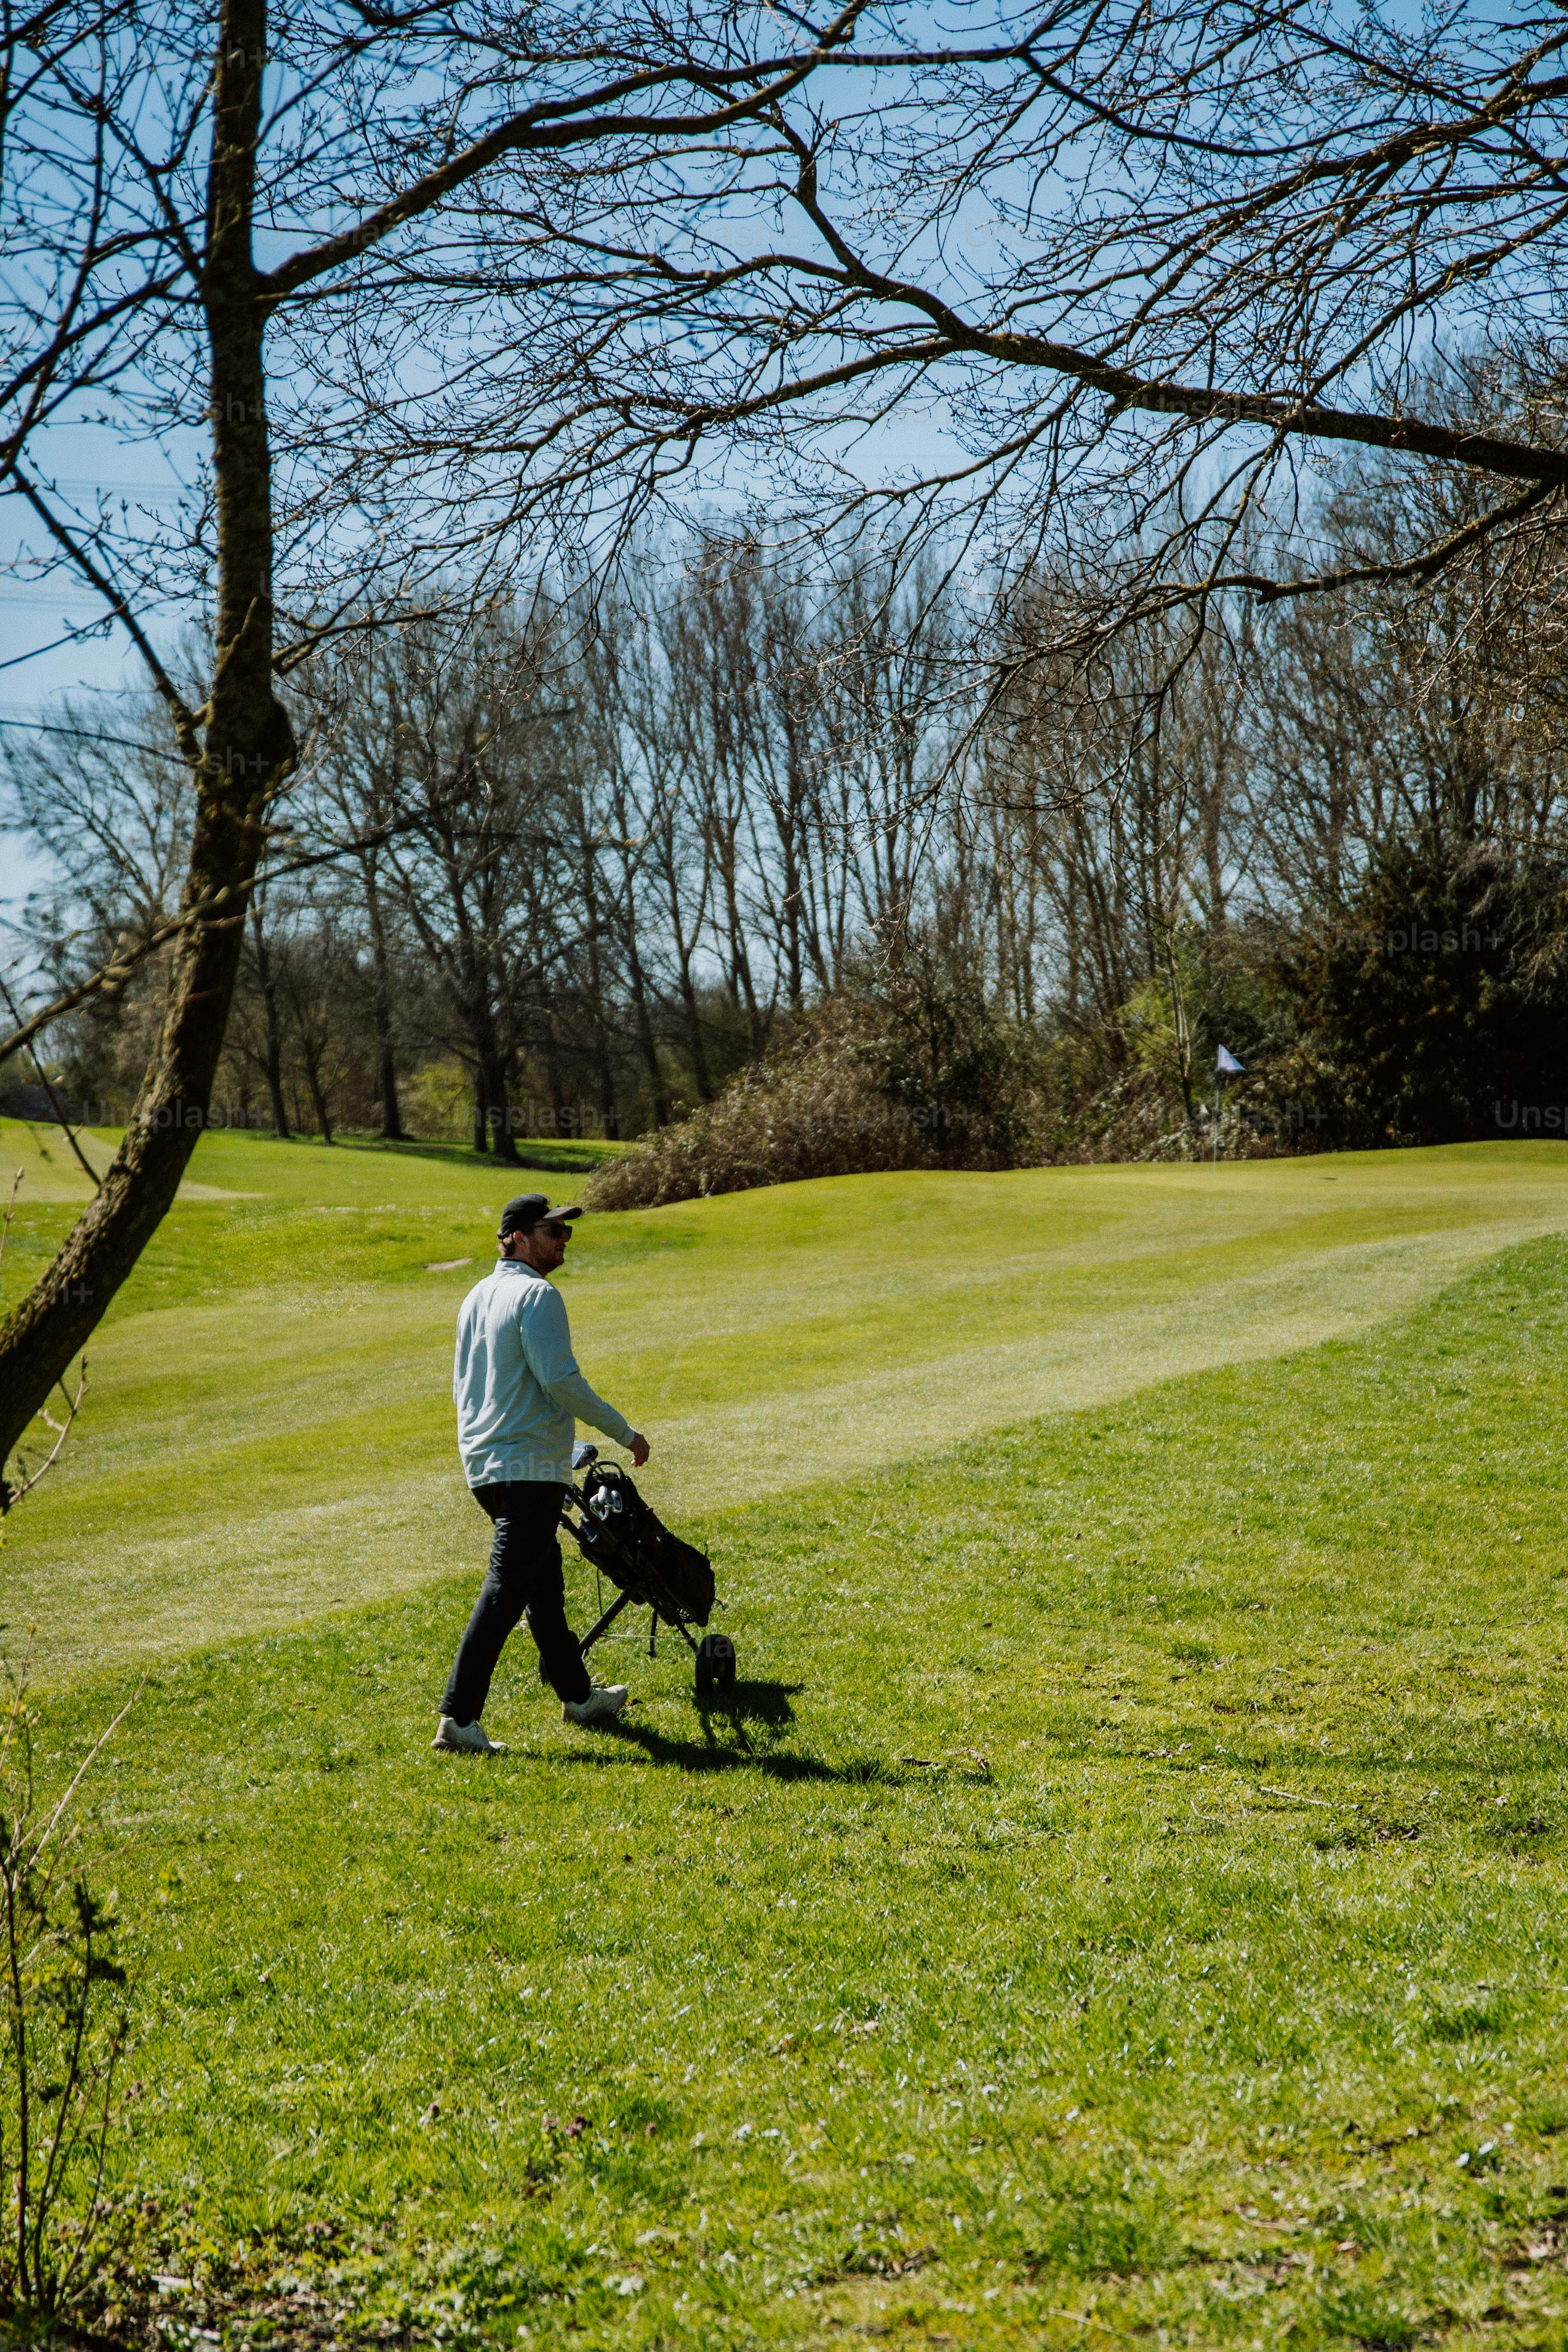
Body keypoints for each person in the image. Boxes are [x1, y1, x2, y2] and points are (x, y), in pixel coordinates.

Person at [433, 1192, 650, 1755]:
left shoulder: (477, 1296)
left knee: (543, 1587)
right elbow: (561, 1381)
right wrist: (625, 1433)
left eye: (565, 1232)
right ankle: (458, 1719)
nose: (562, 1240)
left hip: (488, 1467)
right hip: (527, 1468)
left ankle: (578, 1697)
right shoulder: (538, 1295)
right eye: (552, 1231)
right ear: (517, 1238)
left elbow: (479, 1389)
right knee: (506, 1589)